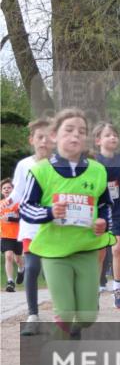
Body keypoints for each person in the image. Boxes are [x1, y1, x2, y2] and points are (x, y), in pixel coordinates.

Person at [18, 109, 116, 339]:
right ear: (54, 135)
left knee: (86, 317)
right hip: (54, 250)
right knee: (64, 310)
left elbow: (106, 206)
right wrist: (50, 212)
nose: (75, 136)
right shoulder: (40, 171)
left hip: (86, 248)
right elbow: (26, 207)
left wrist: (103, 223)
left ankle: (75, 329)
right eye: (69, 130)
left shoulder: (97, 170)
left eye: (81, 132)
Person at [9, 118, 52, 334]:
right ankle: (33, 315)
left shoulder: (61, 164)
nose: (44, 141)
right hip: (31, 225)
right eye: (40, 137)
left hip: (57, 227)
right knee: (32, 268)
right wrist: (6, 205)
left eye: (48, 137)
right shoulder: (24, 165)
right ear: (31, 140)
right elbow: (16, 194)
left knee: (56, 272)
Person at [92, 121, 120, 307]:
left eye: (115, 134)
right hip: (99, 209)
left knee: (118, 248)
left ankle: (117, 287)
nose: (113, 137)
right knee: (100, 253)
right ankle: (94, 291)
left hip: (117, 208)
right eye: (108, 135)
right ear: (98, 140)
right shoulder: (93, 160)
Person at [1, 178, 23, 292]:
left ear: (13, 190)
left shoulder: (18, 203)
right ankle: (10, 282)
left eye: (9, 187)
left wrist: (9, 218)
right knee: (8, 256)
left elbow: (23, 218)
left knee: (18, 259)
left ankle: (21, 269)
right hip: (5, 235)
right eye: (4, 188)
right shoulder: (0, 205)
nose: (6, 189)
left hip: (18, 235)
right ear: (1, 191)